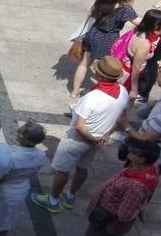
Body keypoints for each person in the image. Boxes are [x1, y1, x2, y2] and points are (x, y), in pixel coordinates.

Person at [58, 138, 160, 236]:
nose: (129, 152)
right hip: (108, 224)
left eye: (133, 152)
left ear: (142, 159)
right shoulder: (149, 168)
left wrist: (135, 209)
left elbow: (124, 215)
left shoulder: (136, 186)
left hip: (107, 225)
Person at [34, 57, 129, 213]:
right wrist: (106, 135)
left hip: (78, 140)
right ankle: (70, 196)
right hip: (99, 139)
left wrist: (94, 139)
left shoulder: (92, 97)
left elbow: (79, 126)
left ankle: (53, 200)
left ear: (101, 76)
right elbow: (122, 118)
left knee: (62, 170)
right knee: (82, 168)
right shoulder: (123, 92)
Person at [68, 0, 139, 102]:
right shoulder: (125, 9)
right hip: (108, 38)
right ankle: (100, 94)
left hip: (93, 33)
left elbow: (91, 13)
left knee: (85, 63)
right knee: (107, 69)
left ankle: (74, 93)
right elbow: (139, 23)